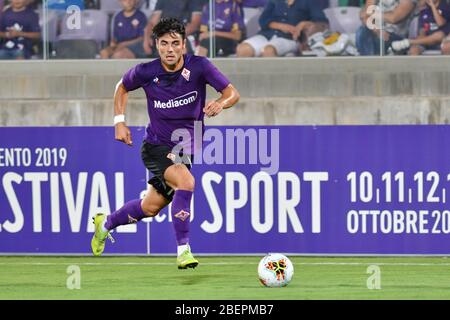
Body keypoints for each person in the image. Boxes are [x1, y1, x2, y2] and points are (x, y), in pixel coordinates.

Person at [91, 17, 240, 269]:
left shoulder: (200, 67)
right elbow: (121, 86)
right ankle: (183, 250)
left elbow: (232, 93)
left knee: (150, 207)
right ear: (156, 45)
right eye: (163, 44)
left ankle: (105, 223)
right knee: (187, 182)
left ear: (184, 45)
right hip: (157, 146)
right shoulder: (147, 72)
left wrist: (220, 103)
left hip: (185, 150)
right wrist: (119, 121)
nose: (169, 49)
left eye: (175, 43)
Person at [236, 0, 329, 57]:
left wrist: (303, 24)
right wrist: (281, 26)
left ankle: (270, 86)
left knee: (268, 50)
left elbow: (322, 22)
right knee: (243, 49)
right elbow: (263, 20)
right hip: (267, 34)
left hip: (289, 38)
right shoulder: (274, 1)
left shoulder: (308, 1)